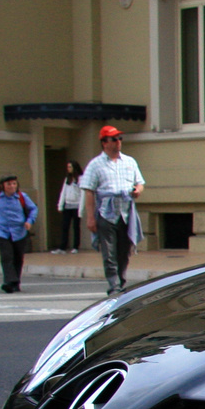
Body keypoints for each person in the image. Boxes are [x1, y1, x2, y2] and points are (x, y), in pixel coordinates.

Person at [80, 126, 145, 296]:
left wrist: (138, 190)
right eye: (113, 139)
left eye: (119, 139)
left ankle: (121, 281)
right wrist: (90, 218)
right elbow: (89, 191)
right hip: (106, 212)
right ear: (104, 143)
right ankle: (114, 284)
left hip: (126, 212)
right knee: (109, 252)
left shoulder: (129, 162)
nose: (118, 142)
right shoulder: (95, 165)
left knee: (124, 250)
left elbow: (140, 182)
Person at [0, 175, 38, 294]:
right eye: (9, 184)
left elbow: (33, 208)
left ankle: (15, 283)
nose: (12, 186)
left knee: (18, 258)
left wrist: (29, 221)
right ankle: (9, 282)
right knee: (7, 256)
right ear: (3, 185)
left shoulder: (22, 197)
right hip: (2, 232)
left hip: (19, 231)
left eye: (14, 184)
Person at [52, 160, 83, 254]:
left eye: (70, 167)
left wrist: (81, 209)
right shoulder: (67, 179)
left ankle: (75, 246)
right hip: (67, 205)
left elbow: (82, 194)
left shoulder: (80, 179)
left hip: (76, 205)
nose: (68, 169)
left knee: (76, 227)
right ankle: (62, 247)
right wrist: (60, 205)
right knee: (65, 226)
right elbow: (63, 192)